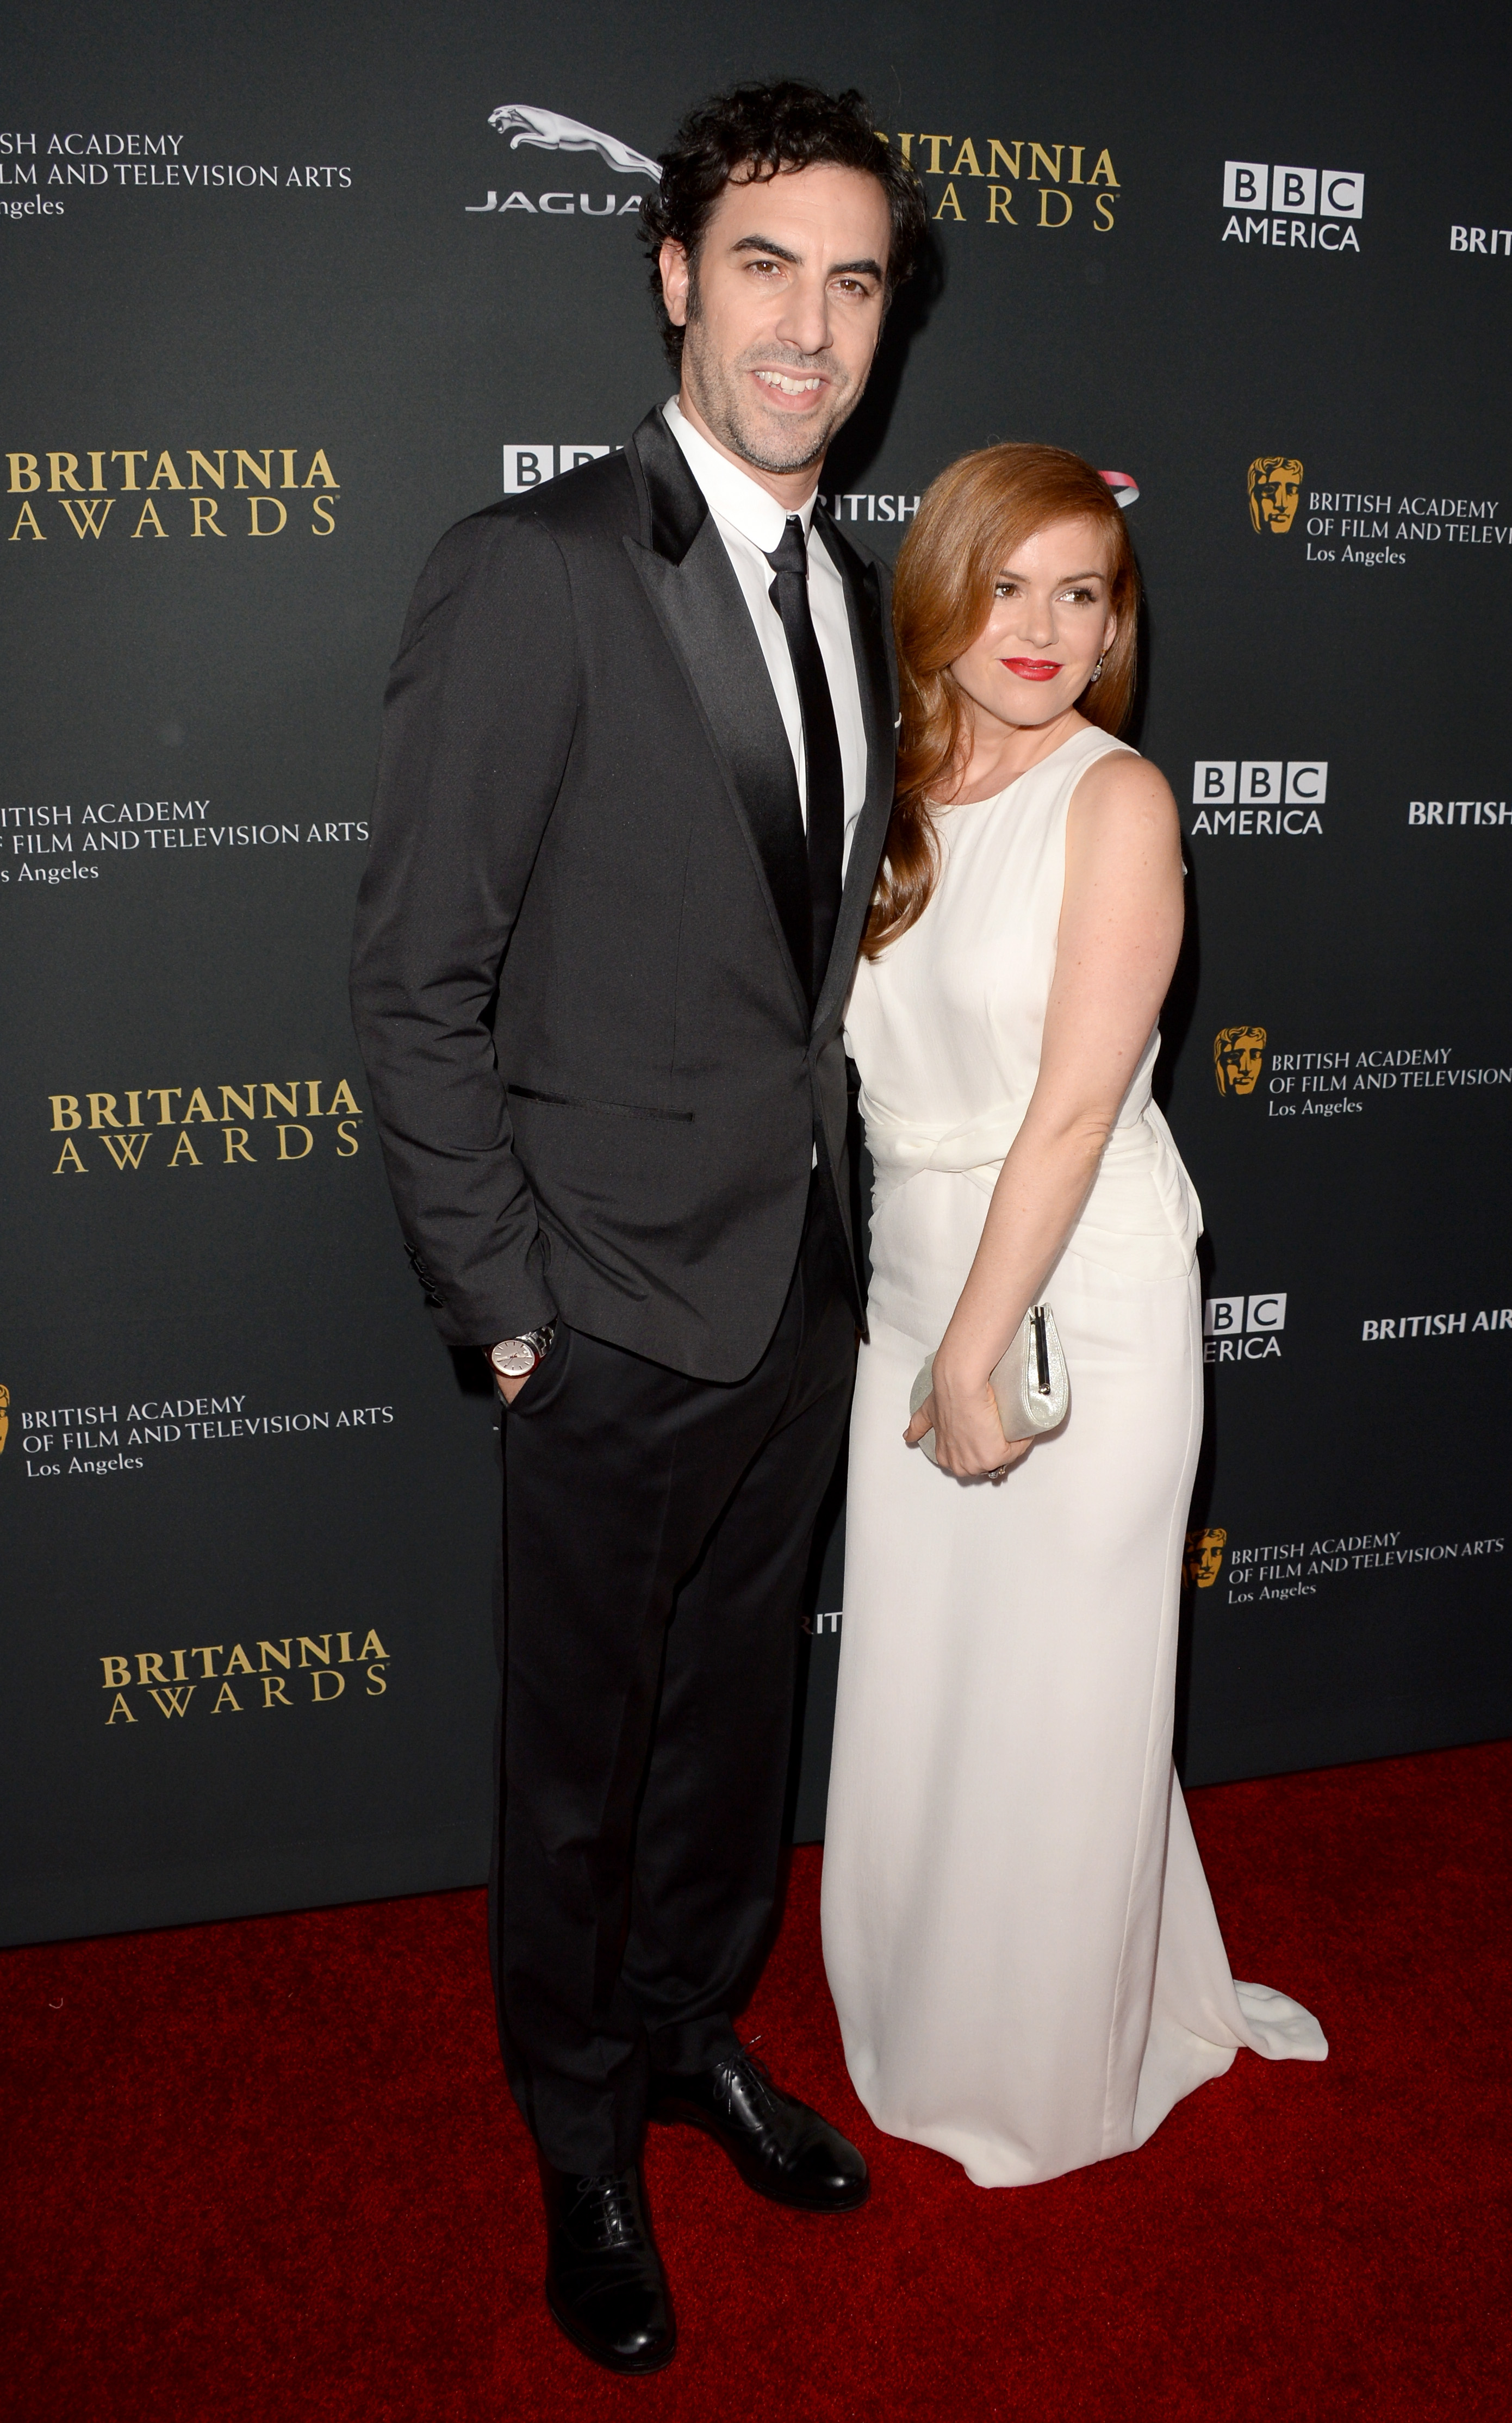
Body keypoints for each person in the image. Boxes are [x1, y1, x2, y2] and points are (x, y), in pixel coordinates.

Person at [350, 82, 925, 2373]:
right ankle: (579, 2131)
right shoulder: (541, 569)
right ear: (676, 276)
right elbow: (418, 980)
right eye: (764, 266)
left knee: (724, 1737)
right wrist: (510, 1315)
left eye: (853, 282)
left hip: (794, 1288)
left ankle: (689, 2033)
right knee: (581, 1763)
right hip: (596, 1306)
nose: (808, 326)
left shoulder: (853, 595)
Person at [821, 444, 1328, 2190]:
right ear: (937, 602)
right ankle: (930, 2011)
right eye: (1005, 586)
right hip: (915, 1277)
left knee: (1061, 1696)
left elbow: (1074, 1110)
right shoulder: (890, 795)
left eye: (1081, 593)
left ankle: (1048, 2066)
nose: (1040, 628)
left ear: (1119, 626)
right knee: (935, 1676)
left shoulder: (1116, 803)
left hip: (1073, 1300)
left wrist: (973, 1350)